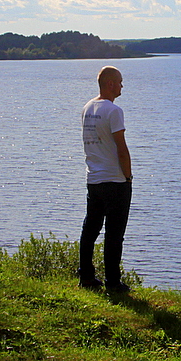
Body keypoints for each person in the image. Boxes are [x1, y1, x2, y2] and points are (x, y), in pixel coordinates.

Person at [78, 65, 132, 292]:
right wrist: (128, 176)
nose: (122, 86)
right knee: (114, 233)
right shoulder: (113, 111)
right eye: (120, 81)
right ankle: (112, 281)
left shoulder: (88, 108)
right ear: (110, 83)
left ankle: (86, 276)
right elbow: (121, 148)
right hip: (115, 180)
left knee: (90, 228)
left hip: (94, 179)